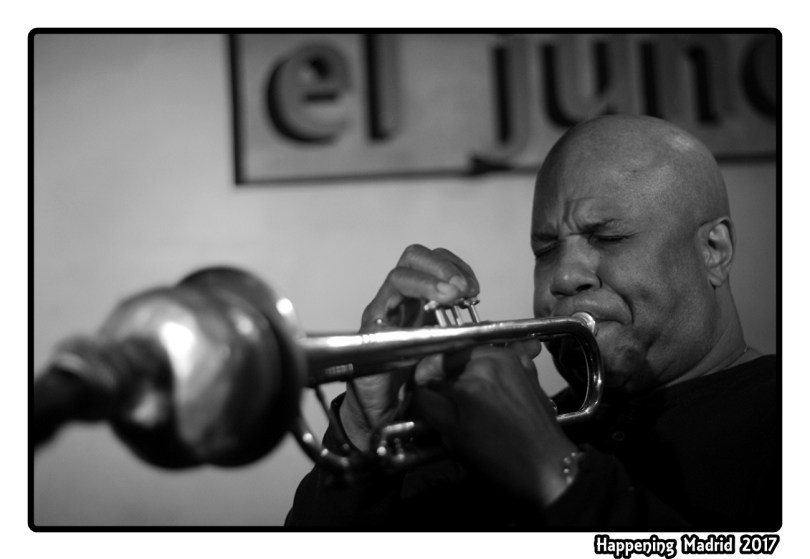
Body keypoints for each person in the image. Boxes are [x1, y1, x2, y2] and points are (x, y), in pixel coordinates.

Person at [285, 114, 779, 530]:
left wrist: (550, 466)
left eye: (609, 238)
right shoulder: (487, 436)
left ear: (714, 251)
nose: (562, 277)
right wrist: (364, 427)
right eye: (545, 250)